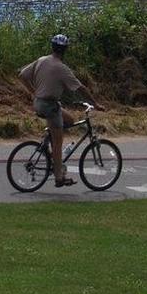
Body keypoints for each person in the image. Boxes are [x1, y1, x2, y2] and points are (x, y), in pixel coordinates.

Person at [19, 34, 94, 187]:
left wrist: (33, 92)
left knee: (70, 120)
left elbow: (22, 75)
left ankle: (50, 142)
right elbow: (81, 88)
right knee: (58, 143)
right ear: (65, 50)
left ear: (52, 47)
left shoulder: (42, 60)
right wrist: (96, 104)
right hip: (50, 106)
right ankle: (59, 177)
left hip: (39, 103)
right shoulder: (62, 68)